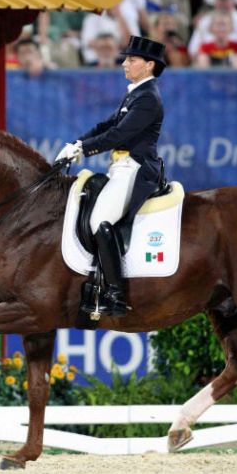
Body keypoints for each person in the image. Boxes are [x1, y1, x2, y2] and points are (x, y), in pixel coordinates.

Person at [54, 36, 167, 317]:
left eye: (132, 59)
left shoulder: (148, 98)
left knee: (99, 220)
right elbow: (106, 125)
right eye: (126, 59)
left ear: (149, 65)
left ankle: (115, 294)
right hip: (120, 166)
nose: (125, 64)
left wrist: (84, 150)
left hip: (136, 168)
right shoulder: (135, 94)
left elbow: (119, 135)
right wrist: (77, 143)